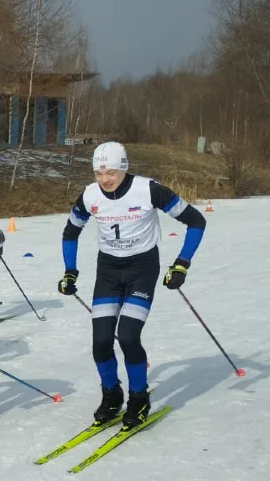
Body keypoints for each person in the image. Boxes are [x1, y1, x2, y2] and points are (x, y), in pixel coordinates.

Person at [58, 141, 206, 430]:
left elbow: (196, 221)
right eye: (99, 173)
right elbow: (70, 231)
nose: (105, 179)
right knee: (101, 342)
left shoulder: (149, 189)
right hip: (108, 272)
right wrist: (70, 272)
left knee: (127, 336)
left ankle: (139, 399)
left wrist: (181, 264)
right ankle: (112, 395)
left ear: (123, 167)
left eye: (111, 172)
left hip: (142, 269)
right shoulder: (89, 195)